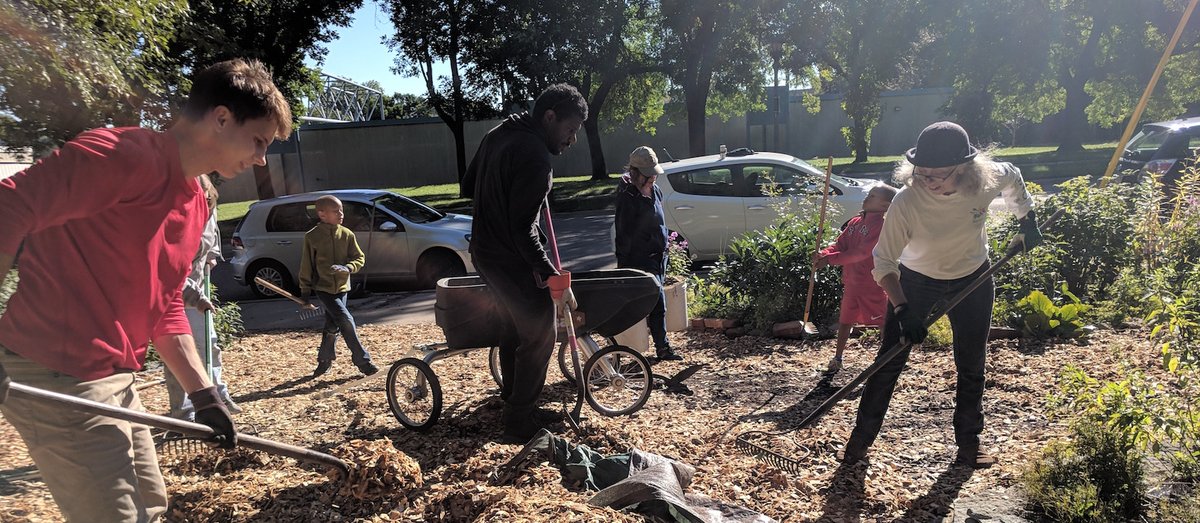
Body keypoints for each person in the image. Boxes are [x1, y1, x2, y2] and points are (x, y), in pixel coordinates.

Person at [0, 58, 291, 521]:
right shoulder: (123, 155)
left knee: (152, 506)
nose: (260, 158)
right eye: (258, 141)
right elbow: (9, 206)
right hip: (56, 368)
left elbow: (166, 305)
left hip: (115, 375)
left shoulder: (196, 200)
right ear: (221, 118)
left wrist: (205, 395)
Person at [841, 121, 1042, 469]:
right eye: (922, 173)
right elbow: (884, 261)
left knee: (971, 364)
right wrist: (903, 308)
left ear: (965, 169)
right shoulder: (906, 201)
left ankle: (969, 444)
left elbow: (1013, 176)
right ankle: (859, 442)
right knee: (888, 362)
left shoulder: (987, 179)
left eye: (938, 175)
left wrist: (1027, 219)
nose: (928, 181)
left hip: (973, 277)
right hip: (916, 282)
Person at [460, 83, 587, 444]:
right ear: (549, 117)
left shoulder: (499, 132)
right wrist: (552, 275)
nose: (572, 140)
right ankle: (519, 421)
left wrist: (507, 190)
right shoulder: (535, 155)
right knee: (540, 330)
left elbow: (468, 186)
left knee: (513, 328)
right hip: (507, 257)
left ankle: (517, 403)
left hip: (484, 250)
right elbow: (522, 232)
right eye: (569, 129)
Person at [164, 174, 243, 420]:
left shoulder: (209, 209)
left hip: (196, 282)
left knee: (209, 343)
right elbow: (167, 265)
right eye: (199, 197)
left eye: (208, 197)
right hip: (172, 293)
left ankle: (219, 394)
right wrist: (195, 295)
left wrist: (212, 255)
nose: (204, 202)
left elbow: (213, 237)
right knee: (178, 350)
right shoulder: (174, 215)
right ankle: (183, 410)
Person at [814, 184, 897, 373]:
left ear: (885, 206)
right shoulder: (855, 223)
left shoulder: (880, 226)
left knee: (882, 321)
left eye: (873, 196)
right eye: (869, 194)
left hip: (871, 283)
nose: (867, 198)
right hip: (851, 282)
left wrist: (830, 260)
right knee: (845, 320)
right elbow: (840, 244)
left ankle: (887, 357)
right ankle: (838, 358)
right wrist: (823, 254)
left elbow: (862, 253)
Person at [614, 146, 683, 362]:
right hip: (639, 260)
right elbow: (623, 234)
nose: (653, 176)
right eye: (648, 173)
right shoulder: (627, 197)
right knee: (653, 304)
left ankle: (661, 348)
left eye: (654, 172)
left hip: (658, 257)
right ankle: (630, 348)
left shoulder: (656, 190)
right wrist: (625, 267)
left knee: (657, 305)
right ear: (635, 173)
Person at [300, 195, 378, 378]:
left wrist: (348, 268)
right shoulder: (312, 237)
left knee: (332, 324)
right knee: (345, 319)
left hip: (343, 288)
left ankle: (324, 361)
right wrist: (304, 292)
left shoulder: (347, 234)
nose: (341, 214)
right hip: (323, 289)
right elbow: (306, 265)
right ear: (322, 214)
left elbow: (359, 258)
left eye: (341, 210)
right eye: (336, 211)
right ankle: (363, 362)